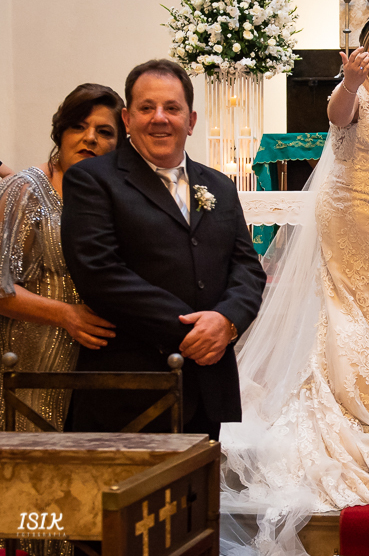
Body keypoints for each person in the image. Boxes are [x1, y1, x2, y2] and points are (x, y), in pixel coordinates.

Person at [218, 13, 369, 554]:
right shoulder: (352, 90)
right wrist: (352, 80)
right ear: (361, 52)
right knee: (347, 305)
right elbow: (338, 119)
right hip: (349, 211)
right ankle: (348, 397)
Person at [61, 59, 266, 440]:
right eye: (146, 107)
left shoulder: (219, 185)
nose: (160, 118)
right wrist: (192, 329)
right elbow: (100, 273)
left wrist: (225, 322)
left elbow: (246, 267)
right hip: (130, 386)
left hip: (207, 381)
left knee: (199, 498)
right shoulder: (92, 180)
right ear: (126, 118)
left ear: (191, 120)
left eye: (172, 108)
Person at [0, 84, 124, 433]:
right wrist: (66, 315)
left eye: (104, 131)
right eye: (78, 127)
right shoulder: (24, 190)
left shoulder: (115, 194)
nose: (90, 138)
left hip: (93, 371)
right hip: (30, 363)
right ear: (60, 132)